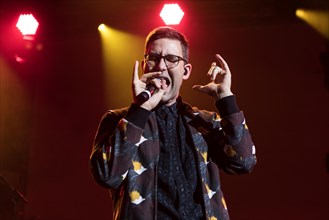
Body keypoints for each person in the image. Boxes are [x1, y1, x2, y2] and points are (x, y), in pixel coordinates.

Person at [89, 26, 257, 220]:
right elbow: (107, 175)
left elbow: (243, 162)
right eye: (154, 58)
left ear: (185, 71)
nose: (161, 66)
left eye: (171, 59)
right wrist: (139, 111)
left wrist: (225, 98)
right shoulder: (118, 120)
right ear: (145, 66)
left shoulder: (203, 122)